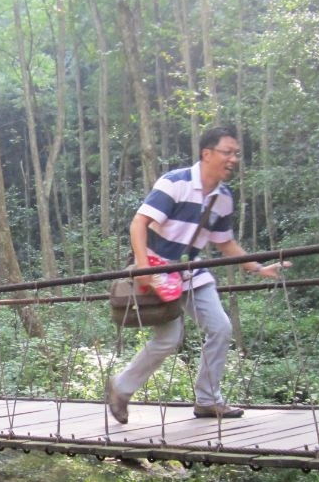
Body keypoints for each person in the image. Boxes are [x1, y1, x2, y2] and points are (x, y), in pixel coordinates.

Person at [105, 126, 287, 424]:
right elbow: (139, 223)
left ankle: (207, 400)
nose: (234, 159)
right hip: (158, 270)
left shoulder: (223, 197)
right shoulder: (175, 183)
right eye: (227, 152)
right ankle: (120, 388)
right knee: (169, 339)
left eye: (236, 154)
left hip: (192, 272)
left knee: (220, 327)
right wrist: (143, 266)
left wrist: (257, 267)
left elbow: (224, 241)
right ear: (207, 153)